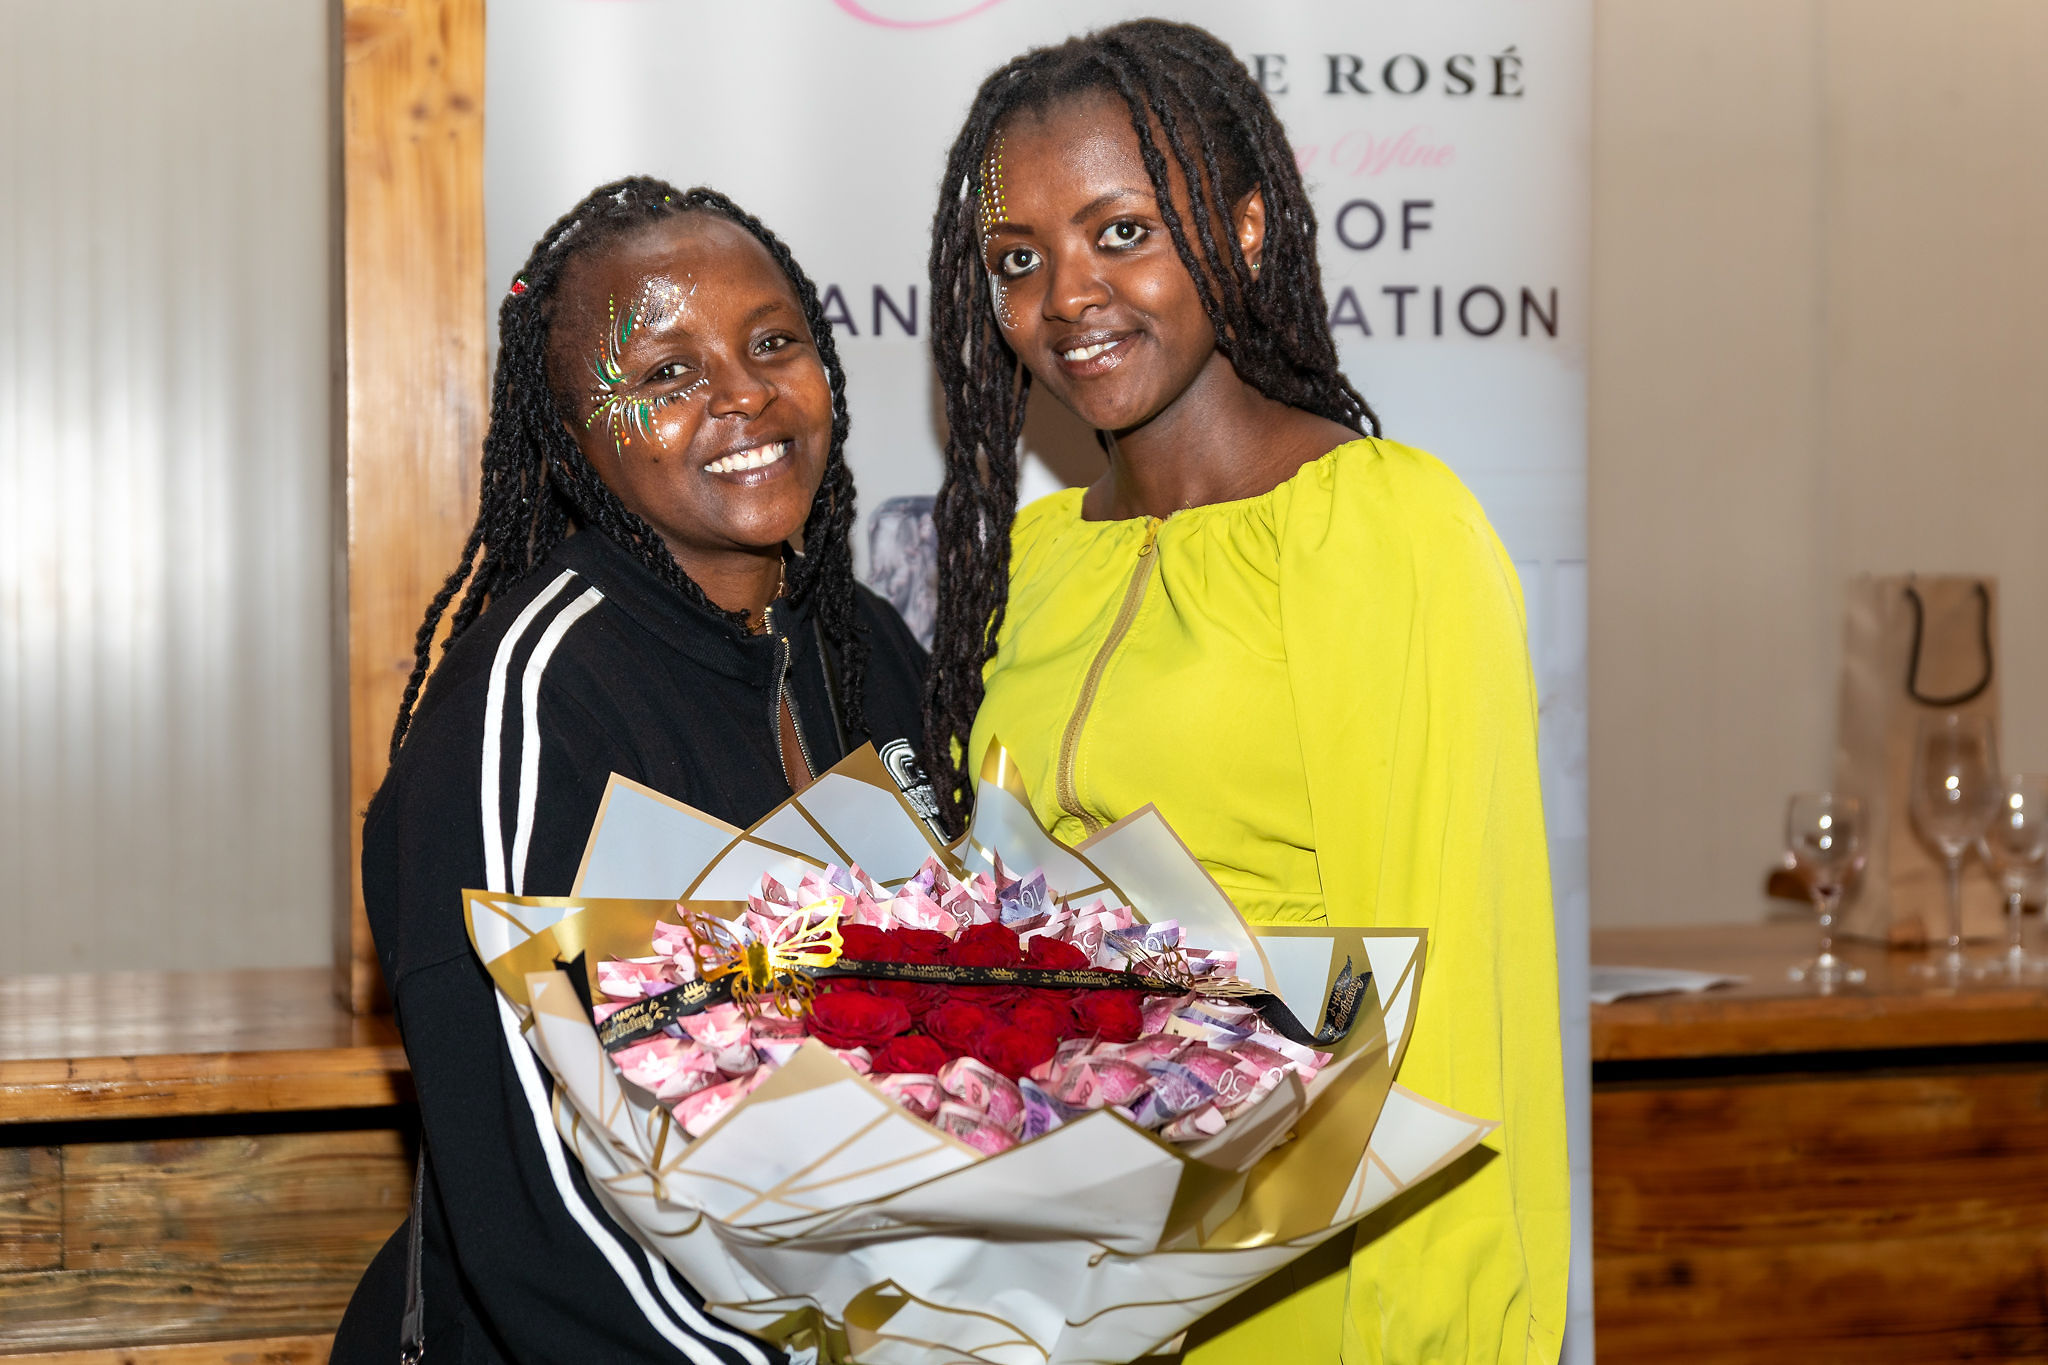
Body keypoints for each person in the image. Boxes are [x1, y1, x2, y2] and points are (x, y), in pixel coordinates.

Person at [919, 21, 1569, 1364]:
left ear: (1247, 228)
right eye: (1018, 261)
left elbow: (1456, 995)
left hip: (1309, 1292)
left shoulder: (1378, 528)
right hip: (1067, 1292)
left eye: (1121, 232)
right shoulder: (1033, 562)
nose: (1068, 298)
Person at [330, 177, 931, 1365]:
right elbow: (532, 1192)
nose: (744, 394)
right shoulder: (526, 705)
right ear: (573, 436)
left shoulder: (869, 649)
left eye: (773, 343)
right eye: (666, 373)